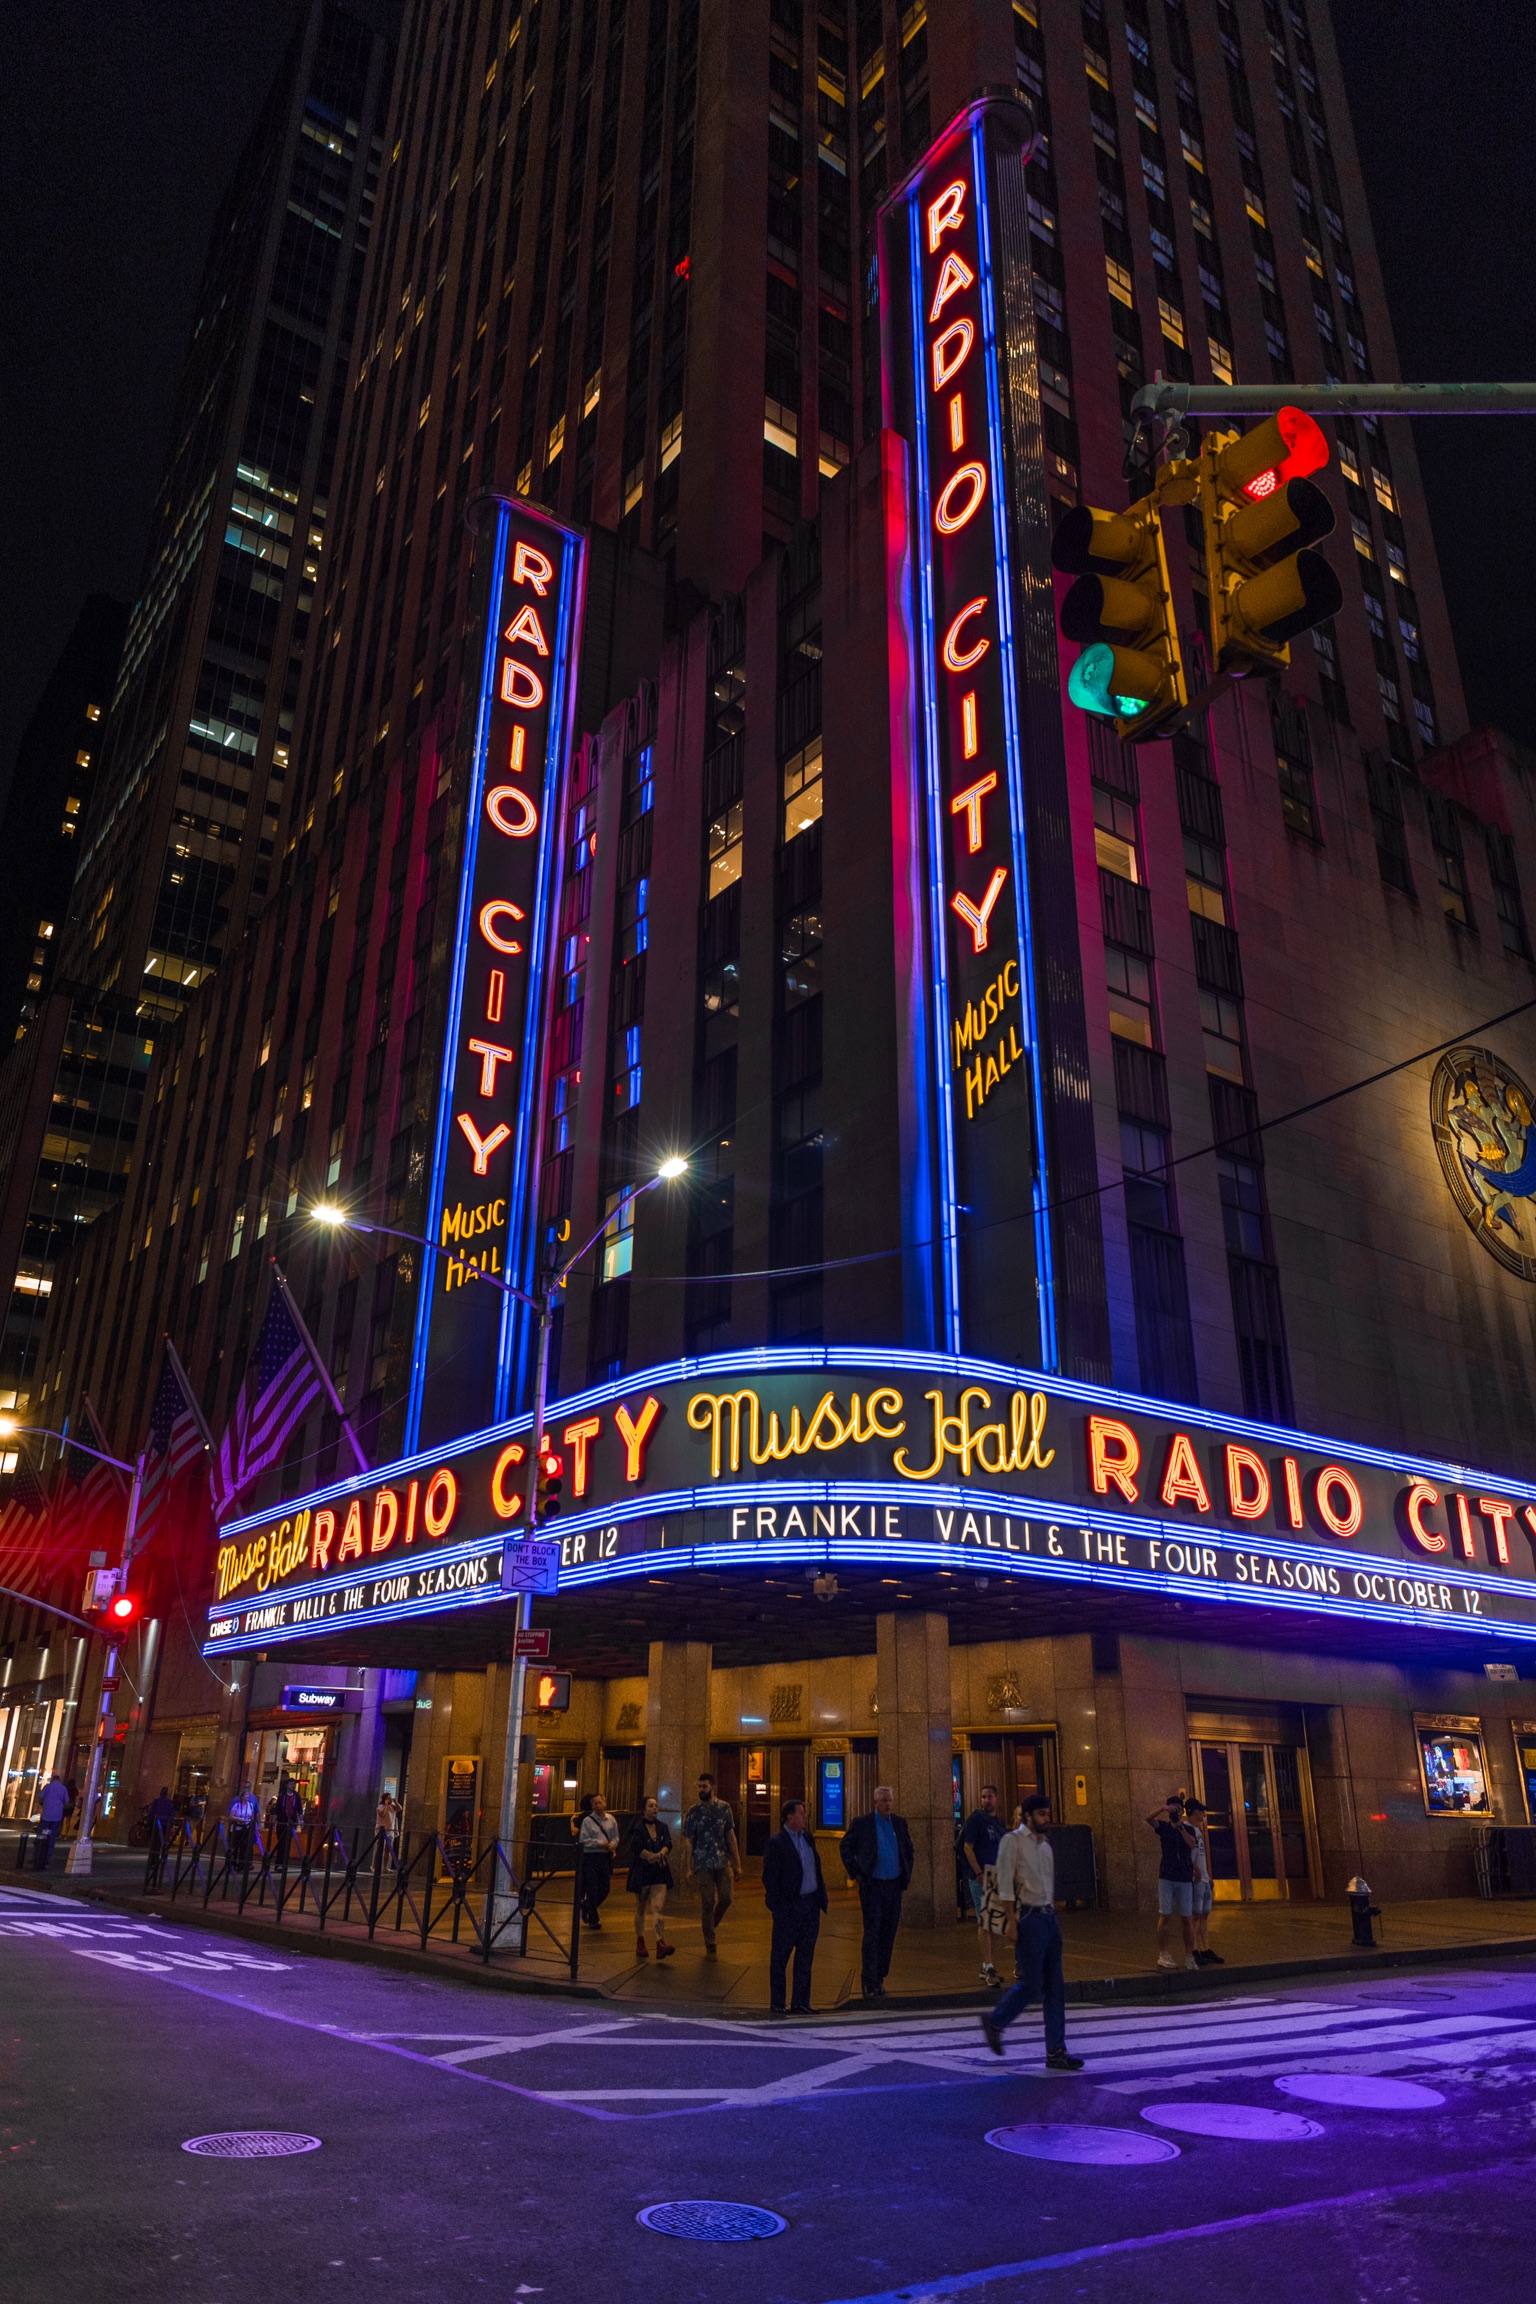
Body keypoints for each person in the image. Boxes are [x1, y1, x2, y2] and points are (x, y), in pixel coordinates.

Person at [981, 1793, 1085, 2071]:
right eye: (1041, 1814)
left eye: (1047, 1814)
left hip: (1049, 1918)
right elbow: (1003, 1883)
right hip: (1027, 1917)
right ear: (1027, 1816)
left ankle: (1056, 2050)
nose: (1046, 1818)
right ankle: (996, 2020)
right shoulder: (1011, 1841)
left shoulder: (1045, 1846)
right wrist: (1011, 1923)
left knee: (1055, 1988)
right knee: (1032, 1984)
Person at [840, 1783, 915, 2001]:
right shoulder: (863, 1824)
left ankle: (881, 1976)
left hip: (893, 1886)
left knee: (888, 1933)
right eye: (883, 1801)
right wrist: (858, 1873)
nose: (887, 1804)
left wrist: (905, 1875)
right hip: (873, 1887)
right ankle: (868, 1980)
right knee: (872, 1933)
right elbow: (846, 1847)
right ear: (875, 1803)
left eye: (890, 1800)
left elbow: (908, 1850)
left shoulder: (899, 1824)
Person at [762, 1797, 827, 2013]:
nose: (805, 1816)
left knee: (805, 1957)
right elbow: (770, 1878)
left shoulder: (808, 1838)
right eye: (801, 1813)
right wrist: (778, 1906)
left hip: (810, 1906)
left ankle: (801, 2002)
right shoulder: (776, 1843)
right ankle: (778, 2003)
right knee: (780, 1958)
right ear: (790, 1817)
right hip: (789, 1908)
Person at [681, 1772, 741, 1957]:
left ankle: (711, 1923)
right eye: (699, 1787)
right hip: (703, 1862)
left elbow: (730, 1836)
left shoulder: (724, 1808)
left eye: (704, 1786)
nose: (701, 1790)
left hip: (722, 1860)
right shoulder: (693, 1811)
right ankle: (711, 1944)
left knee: (726, 1898)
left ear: (712, 1787)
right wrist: (688, 1866)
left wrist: (737, 1863)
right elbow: (689, 1840)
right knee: (707, 1901)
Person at [959, 1781, 1007, 1988]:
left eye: (990, 1797)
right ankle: (988, 1966)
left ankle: (986, 1964)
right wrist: (977, 1871)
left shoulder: (999, 1824)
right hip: (980, 1876)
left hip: (996, 1876)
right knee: (985, 1921)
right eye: (983, 1797)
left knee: (995, 1924)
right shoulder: (976, 1820)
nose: (987, 1800)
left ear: (997, 1798)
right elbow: (967, 1847)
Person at [1147, 1792, 1199, 1971]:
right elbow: (1148, 1819)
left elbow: (1192, 1844)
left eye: (1178, 1809)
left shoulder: (1188, 1828)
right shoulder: (1163, 1827)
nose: (1175, 1812)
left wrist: (1180, 1827)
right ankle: (1163, 1953)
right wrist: (1162, 1809)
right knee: (1165, 1915)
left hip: (1184, 1877)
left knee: (1187, 1918)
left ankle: (1189, 1955)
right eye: (1172, 1809)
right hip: (1167, 1876)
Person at [626, 1796, 676, 1960]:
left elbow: (668, 1843)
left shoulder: (663, 1826)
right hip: (642, 1871)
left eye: (656, 1806)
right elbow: (636, 1847)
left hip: (659, 1870)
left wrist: (660, 1854)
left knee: (658, 1907)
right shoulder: (637, 1827)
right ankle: (640, 1941)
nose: (655, 1808)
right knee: (641, 1907)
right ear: (644, 1809)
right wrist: (650, 1856)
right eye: (651, 1806)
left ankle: (660, 1942)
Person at [1184, 1795, 1223, 1965]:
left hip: (1204, 1879)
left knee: (1204, 1915)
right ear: (1193, 1811)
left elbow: (1200, 1855)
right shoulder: (1186, 1829)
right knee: (1195, 1915)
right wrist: (1195, 1870)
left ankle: (1205, 1948)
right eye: (1201, 1811)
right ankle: (1193, 1951)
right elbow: (1186, 1855)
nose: (1203, 1814)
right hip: (1196, 1879)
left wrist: (1207, 1874)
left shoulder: (1197, 1830)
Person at [576, 1791, 619, 1928]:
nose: (598, 1805)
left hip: (604, 1857)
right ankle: (593, 1920)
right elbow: (584, 1840)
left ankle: (587, 1906)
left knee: (605, 1888)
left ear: (605, 1803)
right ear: (592, 1806)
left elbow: (615, 1836)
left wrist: (613, 1844)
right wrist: (600, 1843)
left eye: (600, 1802)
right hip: (590, 1857)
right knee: (592, 1888)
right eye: (595, 1803)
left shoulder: (611, 1819)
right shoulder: (587, 1821)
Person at [33, 1772, 72, 1870]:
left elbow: (40, 1798)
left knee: (40, 1835)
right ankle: (48, 1857)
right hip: (57, 1816)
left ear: (52, 1779)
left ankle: (37, 1855)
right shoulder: (63, 1788)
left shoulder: (47, 1787)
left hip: (46, 1815)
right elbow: (66, 1802)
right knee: (52, 1837)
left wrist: (44, 1805)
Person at [226, 1783, 259, 1869]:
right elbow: (230, 1815)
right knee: (235, 1846)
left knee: (245, 1846)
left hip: (246, 1828)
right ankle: (232, 1864)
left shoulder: (251, 1805)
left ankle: (242, 1864)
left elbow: (254, 1814)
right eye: (246, 1794)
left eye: (248, 1794)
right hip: (237, 1828)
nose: (248, 1796)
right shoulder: (236, 1803)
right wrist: (240, 1819)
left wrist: (255, 1825)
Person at [375, 1788, 401, 1854]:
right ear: (385, 1799)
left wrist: (395, 1802)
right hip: (382, 1830)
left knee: (387, 1850)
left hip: (390, 1830)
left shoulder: (392, 1806)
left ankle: (385, 1864)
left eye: (391, 1798)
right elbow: (382, 1814)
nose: (390, 1799)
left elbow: (400, 1808)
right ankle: (375, 1864)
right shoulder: (380, 1807)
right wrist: (386, 1805)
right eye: (389, 1798)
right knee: (379, 1849)